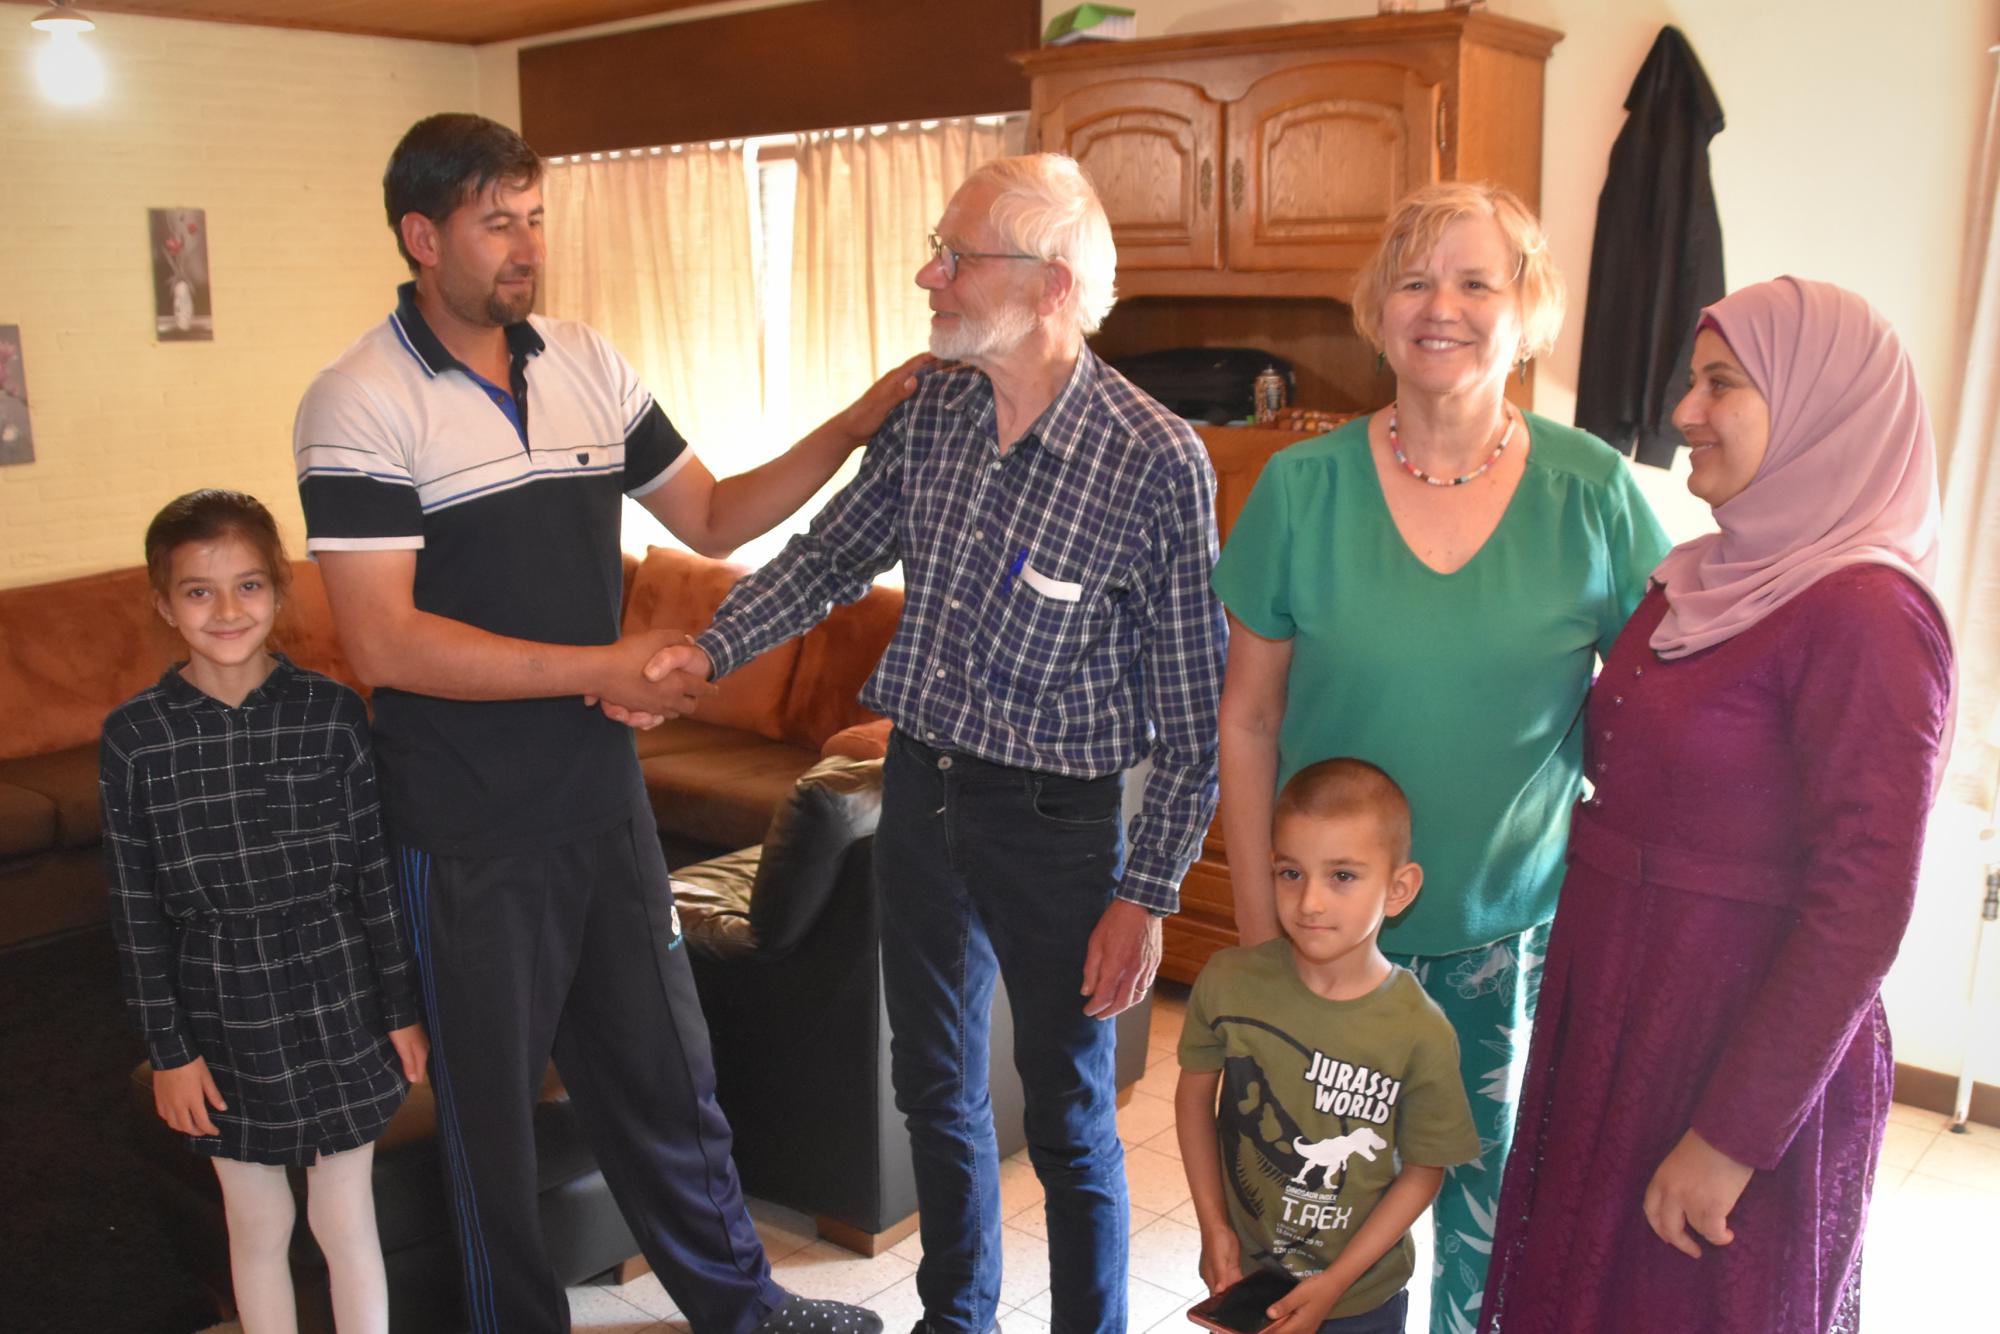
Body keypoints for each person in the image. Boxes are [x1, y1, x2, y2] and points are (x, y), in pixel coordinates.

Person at [292, 113, 918, 1334]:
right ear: (423, 236)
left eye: (534, 217)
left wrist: (853, 421)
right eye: (497, 223)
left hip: (598, 801)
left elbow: (719, 515)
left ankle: (743, 1307)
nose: (527, 245)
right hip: (463, 826)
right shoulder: (357, 400)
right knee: (488, 1117)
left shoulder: (585, 360)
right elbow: (386, 642)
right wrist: (606, 662)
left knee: (667, 1075)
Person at [644, 153, 1228, 1333]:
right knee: (934, 1090)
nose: (929, 274)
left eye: (956, 256)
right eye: (938, 248)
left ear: (1052, 284)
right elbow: (823, 556)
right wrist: (705, 653)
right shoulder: (933, 411)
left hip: (1062, 823)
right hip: (920, 786)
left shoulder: (1156, 458)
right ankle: (955, 1317)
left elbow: (1195, 707)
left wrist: (1147, 890)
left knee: (1065, 1116)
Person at [1209, 180, 1672, 1331]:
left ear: (1527, 310)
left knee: (1489, 1230)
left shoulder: (1593, 494)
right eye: (1413, 278)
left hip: (1502, 953)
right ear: (1377, 307)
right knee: (1305, 1235)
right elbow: (1248, 719)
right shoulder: (1298, 488)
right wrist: (1264, 933)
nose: (1441, 306)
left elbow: (1664, 714)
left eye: (1476, 279)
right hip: (1322, 938)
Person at [1479, 277, 1956, 1333]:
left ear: (1820, 409)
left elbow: (1861, 905)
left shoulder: (1868, 616)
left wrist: (1731, 1135)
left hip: (1727, 1039)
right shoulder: (1703, 574)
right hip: (1615, 1001)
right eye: (1689, 381)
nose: (1682, 411)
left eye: (1720, 384)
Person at [101, 490, 429, 1334]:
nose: (226, 609)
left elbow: (373, 873)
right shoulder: (135, 739)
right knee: (257, 1221)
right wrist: (168, 1052)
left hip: (337, 987)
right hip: (221, 1001)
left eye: (248, 586)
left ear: (280, 594)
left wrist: (401, 1012)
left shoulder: (330, 713)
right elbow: (135, 909)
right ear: (163, 606)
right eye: (199, 591)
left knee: (345, 1214)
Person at [1176, 759, 1481, 1334]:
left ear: (1398, 889)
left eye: (1342, 876)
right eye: (1291, 873)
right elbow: (1193, 1099)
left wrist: (1335, 1283)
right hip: (1246, 1276)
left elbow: (1424, 1170)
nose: (1310, 902)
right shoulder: (1226, 981)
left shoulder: (1421, 1031)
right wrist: (1214, 1227)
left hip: (1361, 1300)